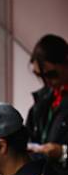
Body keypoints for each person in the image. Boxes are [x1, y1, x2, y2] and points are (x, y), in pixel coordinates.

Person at [26, 34, 68, 164]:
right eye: (39, 75)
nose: (46, 82)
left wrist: (63, 152)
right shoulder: (43, 98)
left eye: (51, 74)